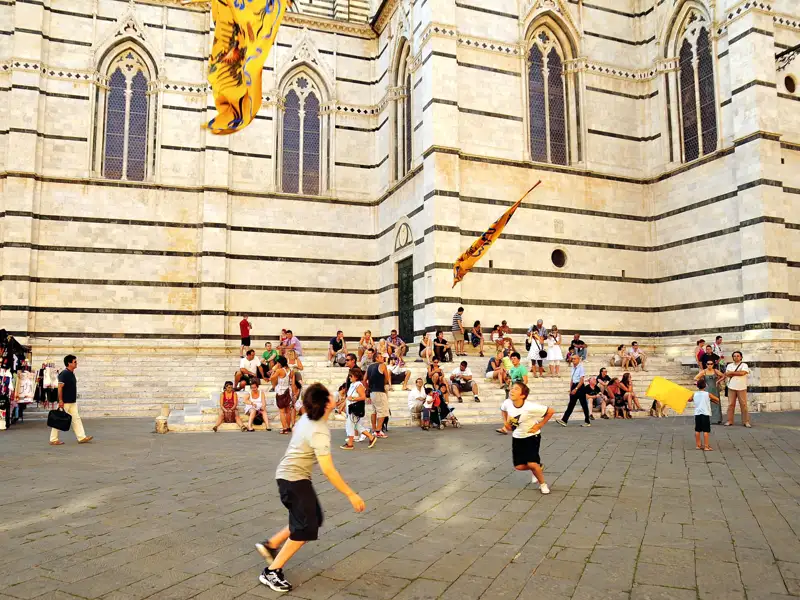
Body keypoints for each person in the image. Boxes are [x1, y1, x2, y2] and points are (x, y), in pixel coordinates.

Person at [255, 383, 366, 593]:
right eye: (329, 395)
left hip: (293, 477)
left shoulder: (307, 418)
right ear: (325, 404)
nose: (334, 395)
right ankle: (271, 571)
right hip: (293, 480)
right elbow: (328, 470)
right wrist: (351, 494)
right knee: (306, 527)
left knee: (312, 517)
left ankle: (271, 545)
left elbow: (297, 430)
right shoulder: (319, 431)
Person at [505, 382, 554, 494]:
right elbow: (503, 410)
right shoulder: (507, 403)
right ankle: (538, 467)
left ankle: (543, 484)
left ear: (522, 395)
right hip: (517, 437)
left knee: (532, 463)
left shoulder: (530, 407)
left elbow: (551, 411)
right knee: (519, 466)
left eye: (516, 389)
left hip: (532, 436)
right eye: (512, 388)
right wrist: (506, 422)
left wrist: (539, 425)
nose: (512, 390)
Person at [49, 354, 93, 445]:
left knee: (76, 419)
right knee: (58, 419)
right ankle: (53, 439)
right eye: (75, 362)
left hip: (72, 401)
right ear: (69, 363)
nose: (76, 363)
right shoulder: (64, 374)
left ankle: (81, 437)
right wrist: (60, 400)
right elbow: (60, 387)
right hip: (65, 402)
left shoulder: (71, 373)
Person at [339, 368, 378, 450]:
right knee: (357, 425)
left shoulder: (358, 385)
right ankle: (371, 437)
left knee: (351, 425)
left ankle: (350, 444)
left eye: (351, 376)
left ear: (356, 376)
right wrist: (342, 406)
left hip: (354, 409)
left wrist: (352, 399)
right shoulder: (352, 385)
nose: (349, 377)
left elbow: (363, 397)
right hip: (351, 408)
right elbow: (347, 398)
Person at [555, 354, 590, 427]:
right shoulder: (573, 368)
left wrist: (576, 389)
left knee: (584, 404)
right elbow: (572, 379)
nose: (573, 360)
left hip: (580, 387)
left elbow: (581, 380)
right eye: (572, 359)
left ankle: (587, 421)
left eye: (574, 359)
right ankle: (564, 420)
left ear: (578, 359)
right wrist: (571, 389)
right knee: (571, 404)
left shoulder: (581, 368)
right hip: (574, 385)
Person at [365, 352, 391, 438]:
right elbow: (386, 378)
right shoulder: (382, 365)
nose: (383, 358)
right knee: (382, 411)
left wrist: (368, 388)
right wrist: (383, 385)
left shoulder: (369, 367)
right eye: (380, 357)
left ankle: (374, 429)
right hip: (379, 391)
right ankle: (378, 431)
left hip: (372, 391)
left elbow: (364, 380)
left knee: (374, 411)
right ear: (376, 358)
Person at [724, 351, 751, 427]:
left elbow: (743, 373)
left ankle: (746, 421)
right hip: (731, 387)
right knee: (730, 405)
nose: (736, 357)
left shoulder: (744, 365)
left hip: (742, 387)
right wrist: (736, 373)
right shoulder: (729, 365)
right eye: (734, 356)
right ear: (732, 357)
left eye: (738, 356)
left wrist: (732, 373)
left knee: (744, 405)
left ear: (741, 357)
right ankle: (729, 420)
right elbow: (727, 374)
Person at [695, 358, 725, 425]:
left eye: (711, 364)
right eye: (708, 364)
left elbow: (723, 376)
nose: (710, 365)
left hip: (715, 389)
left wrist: (718, 381)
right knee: (708, 404)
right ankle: (708, 419)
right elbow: (696, 378)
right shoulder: (704, 371)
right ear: (706, 364)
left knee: (716, 403)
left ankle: (717, 419)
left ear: (713, 364)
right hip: (707, 390)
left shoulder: (715, 371)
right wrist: (703, 383)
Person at [694, 378, 720, 451]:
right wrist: (710, 399)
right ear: (705, 386)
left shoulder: (694, 394)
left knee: (697, 430)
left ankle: (698, 445)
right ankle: (706, 446)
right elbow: (717, 399)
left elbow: (689, 399)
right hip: (705, 413)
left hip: (697, 413)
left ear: (697, 386)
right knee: (706, 431)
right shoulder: (707, 394)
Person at [271, 356, 294, 435]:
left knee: (282, 411)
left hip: (281, 392)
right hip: (288, 391)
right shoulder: (290, 370)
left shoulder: (279, 370)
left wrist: (274, 369)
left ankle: (284, 428)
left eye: (278, 362)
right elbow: (292, 382)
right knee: (288, 411)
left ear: (280, 363)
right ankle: (288, 427)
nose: (277, 364)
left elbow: (271, 378)